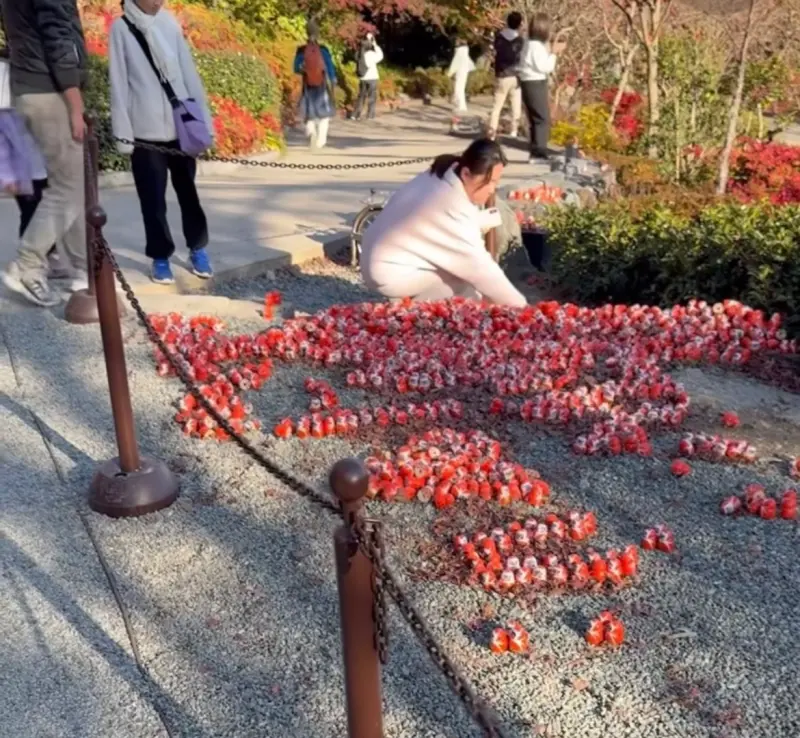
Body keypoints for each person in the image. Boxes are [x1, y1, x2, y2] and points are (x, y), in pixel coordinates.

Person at [109, 0, 214, 285]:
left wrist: (205, 122)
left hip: (181, 127)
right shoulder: (121, 28)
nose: (158, 1)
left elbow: (189, 74)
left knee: (189, 194)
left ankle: (198, 248)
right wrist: (124, 134)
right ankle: (160, 256)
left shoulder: (170, 23)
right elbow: (118, 83)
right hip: (145, 131)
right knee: (152, 200)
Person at [360, 138, 526, 307]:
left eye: (496, 182)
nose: (492, 189)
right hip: (389, 273)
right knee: (465, 279)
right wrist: (522, 309)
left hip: (377, 256)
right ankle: (415, 313)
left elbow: (433, 224)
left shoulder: (441, 174)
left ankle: (417, 306)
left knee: (463, 271)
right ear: (466, 174)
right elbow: (482, 269)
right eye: (489, 181)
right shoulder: (451, 203)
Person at [0, 0, 89, 307]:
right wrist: (75, 103)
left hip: (29, 87)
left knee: (70, 184)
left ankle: (80, 266)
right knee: (68, 186)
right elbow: (58, 37)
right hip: (49, 90)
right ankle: (28, 264)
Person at [517, 12, 565, 162]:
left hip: (528, 83)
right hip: (535, 83)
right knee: (541, 119)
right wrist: (554, 54)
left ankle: (535, 151)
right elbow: (544, 67)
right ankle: (539, 153)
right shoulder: (535, 46)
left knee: (535, 119)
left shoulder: (528, 43)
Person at [294, 20, 337, 150]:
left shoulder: (301, 50)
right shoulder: (323, 50)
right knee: (324, 114)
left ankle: (311, 132)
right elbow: (330, 67)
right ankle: (321, 140)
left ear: (306, 33)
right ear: (318, 34)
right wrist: (333, 79)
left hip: (307, 84)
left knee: (309, 111)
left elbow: (296, 68)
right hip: (322, 84)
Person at [487, 12, 524, 140]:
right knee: (516, 105)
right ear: (519, 24)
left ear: (507, 22)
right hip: (515, 76)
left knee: (497, 106)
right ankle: (514, 132)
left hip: (501, 75)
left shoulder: (499, 37)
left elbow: (494, 52)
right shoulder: (520, 40)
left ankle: (492, 132)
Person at [352, 32, 383, 121]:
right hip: (372, 78)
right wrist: (375, 44)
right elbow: (381, 55)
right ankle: (370, 115)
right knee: (372, 97)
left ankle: (355, 114)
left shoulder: (358, 55)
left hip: (362, 78)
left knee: (361, 96)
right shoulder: (371, 54)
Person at [447, 39, 475, 115]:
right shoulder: (466, 51)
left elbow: (455, 62)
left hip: (460, 71)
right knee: (461, 88)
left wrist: (450, 72)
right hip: (465, 70)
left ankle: (458, 105)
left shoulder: (459, 51)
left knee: (458, 88)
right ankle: (462, 106)